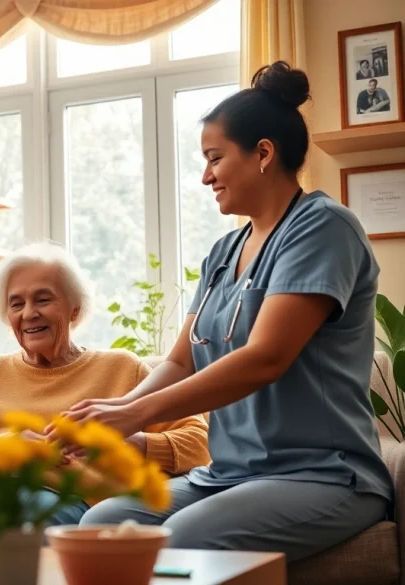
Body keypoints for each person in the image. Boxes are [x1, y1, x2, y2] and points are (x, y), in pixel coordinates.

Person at [71, 61, 393, 562]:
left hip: (323, 475)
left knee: (182, 543)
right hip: (228, 474)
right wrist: (113, 418)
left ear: (263, 153)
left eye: (214, 158)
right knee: (101, 524)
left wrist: (135, 413)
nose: (205, 176)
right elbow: (180, 362)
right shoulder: (223, 252)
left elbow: (267, 357)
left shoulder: (322, 228)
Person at [0, 242, 210, 525]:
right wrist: (2, 446)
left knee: (14, 519)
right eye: (16, 303)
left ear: (75, 309)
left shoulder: (122, 368)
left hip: (58, 500)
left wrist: (129, 443)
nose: (28, 313)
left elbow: (200, 444)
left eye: (43, 299)